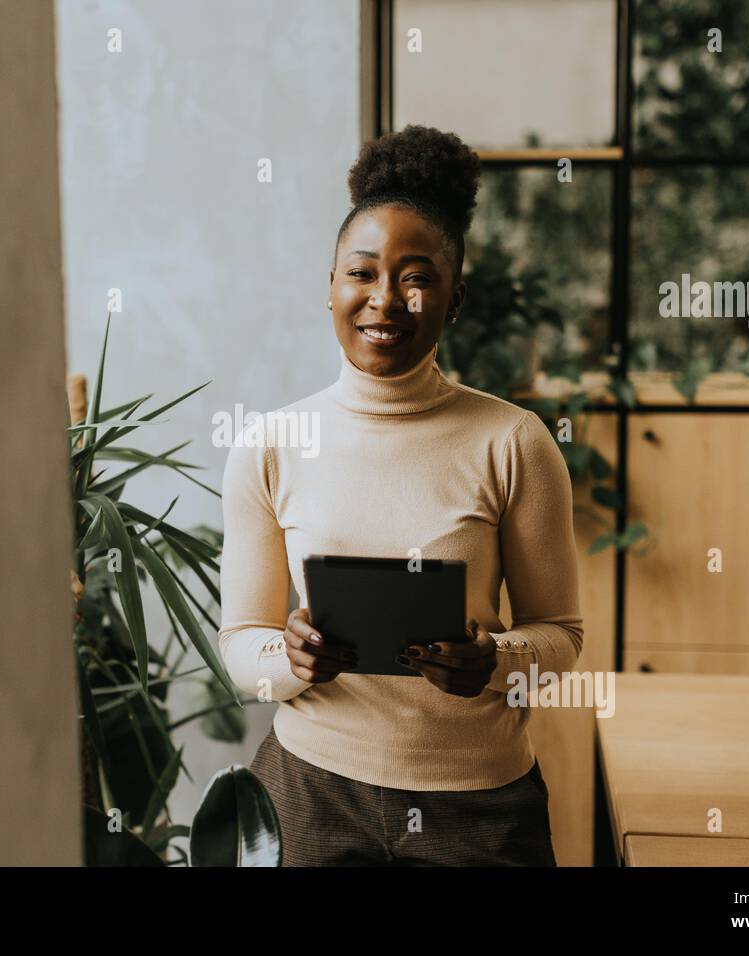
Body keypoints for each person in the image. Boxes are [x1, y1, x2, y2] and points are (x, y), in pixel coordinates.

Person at [217, 125, 584, 866]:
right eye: (362, 273)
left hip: (478, 810)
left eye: (417, 277)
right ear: (330, 287)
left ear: (453, 301)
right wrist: (290, 660)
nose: (386, 299)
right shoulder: (268, 445)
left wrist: (497, 661)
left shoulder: (513, 442)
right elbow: (240, 646)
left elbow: (561, 637)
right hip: (310, 797)